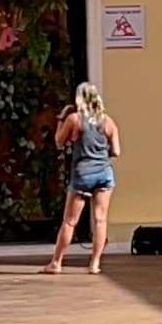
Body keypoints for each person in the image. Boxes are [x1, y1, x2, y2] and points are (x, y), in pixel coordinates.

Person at [55, 72, 120, 274]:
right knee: (100, 220)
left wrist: (61, 119)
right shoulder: (108, 122)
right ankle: (95, 263)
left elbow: (59, 141)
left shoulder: (74, 119)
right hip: (104, 173)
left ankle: (56, 262)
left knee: (70, 221)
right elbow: (116, 151)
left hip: (82, 173)